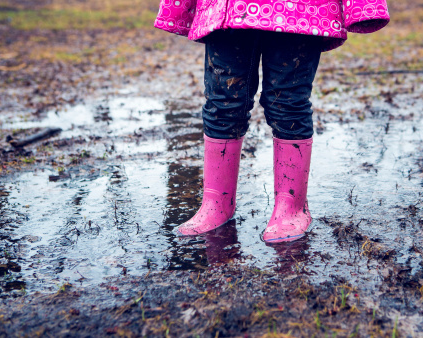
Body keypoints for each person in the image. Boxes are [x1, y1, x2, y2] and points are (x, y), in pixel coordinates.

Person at [154, 0, 390, 243]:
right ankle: (216, 202)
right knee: (222, 102)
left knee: (287, 102)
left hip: (301, 9)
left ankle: (292, 207)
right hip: (226, 8)